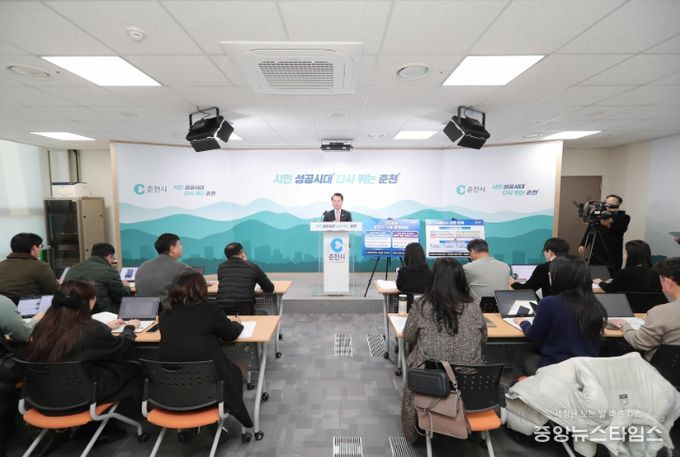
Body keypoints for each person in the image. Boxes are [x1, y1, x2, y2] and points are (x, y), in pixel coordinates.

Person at [401, 258, 486, 444]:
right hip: (468, 380)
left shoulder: (422, 305)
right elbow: (484, 339)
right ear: (461, 280)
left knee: (413, 357)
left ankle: (415, 430)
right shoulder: (474, 307)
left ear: (434, 279)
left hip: (429, 381)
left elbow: (407, 336)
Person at [158, 271, 253, 428]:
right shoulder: (210, 309)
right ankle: (226, 411)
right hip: (209, 383)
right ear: (201, 288)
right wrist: (237, 323)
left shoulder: (165, 313)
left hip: (174, 389)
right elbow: (230, 334)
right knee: (235, 371)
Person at [23, 280, 142, 402]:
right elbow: (121, 346)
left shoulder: (42, 326)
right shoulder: (92, 329)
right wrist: (129, 328)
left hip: (45, 397)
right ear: (89, 302)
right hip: (83, 396)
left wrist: (105, 326)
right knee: (134, 369)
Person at [514, 256, 607, 375]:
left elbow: (534, 336)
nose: (549, 274)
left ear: (562, 277)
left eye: (552, 271)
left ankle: (524, 385)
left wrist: (523, 323)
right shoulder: (594, 305)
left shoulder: (549, 303)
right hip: (586, 371)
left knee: (520, 356)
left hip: (556, 370)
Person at [610, 257, 680, 360]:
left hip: (659, 366)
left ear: (668, 282)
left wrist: (624, 325)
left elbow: (640, 343)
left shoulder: (660, 312)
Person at [64, 243, 131, 313]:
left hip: (73, 311)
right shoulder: (109, 271)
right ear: (109, 256)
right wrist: (127, 287)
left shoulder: (73, 268)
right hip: (103, 312)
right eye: (113, 258)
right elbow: (122, 297)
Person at [0, 233, 59, 304]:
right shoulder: (40, 266)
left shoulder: (1, 264)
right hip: (30, 307)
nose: (40, 249)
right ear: (34, 248)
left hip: (4, 308)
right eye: (41, 246)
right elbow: (53, 291)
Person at [578, 194, 630, 273]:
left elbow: (621, 229)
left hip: (612, 253)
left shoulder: (624, 217)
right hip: (596, 251)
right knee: (595, 275)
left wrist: (609, 223)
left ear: (618, 204)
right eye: (607, 201)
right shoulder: (598, 214)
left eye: (612, 201)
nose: (608, 203)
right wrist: (583, 244)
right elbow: (590, 229)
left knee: (612, 275)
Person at [135, 233, 191, 305]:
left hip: (142, 310)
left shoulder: (143, 266)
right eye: (180, 244)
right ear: (172, 249)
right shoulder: (183, 268)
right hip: (168, 310)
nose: (181, 247)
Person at [593, 240, 662, 293]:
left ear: (632, 255)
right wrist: (615, 281)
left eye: (626, 252)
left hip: (628, 305)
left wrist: (600, 282)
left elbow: (610, 289)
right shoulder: (656, 274)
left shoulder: (625, 273)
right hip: (650, 306)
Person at [396, 242, 432, 309]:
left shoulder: (403, 272)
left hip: (405, 308)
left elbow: (399, 287)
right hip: (425, 309)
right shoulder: (430, 272)